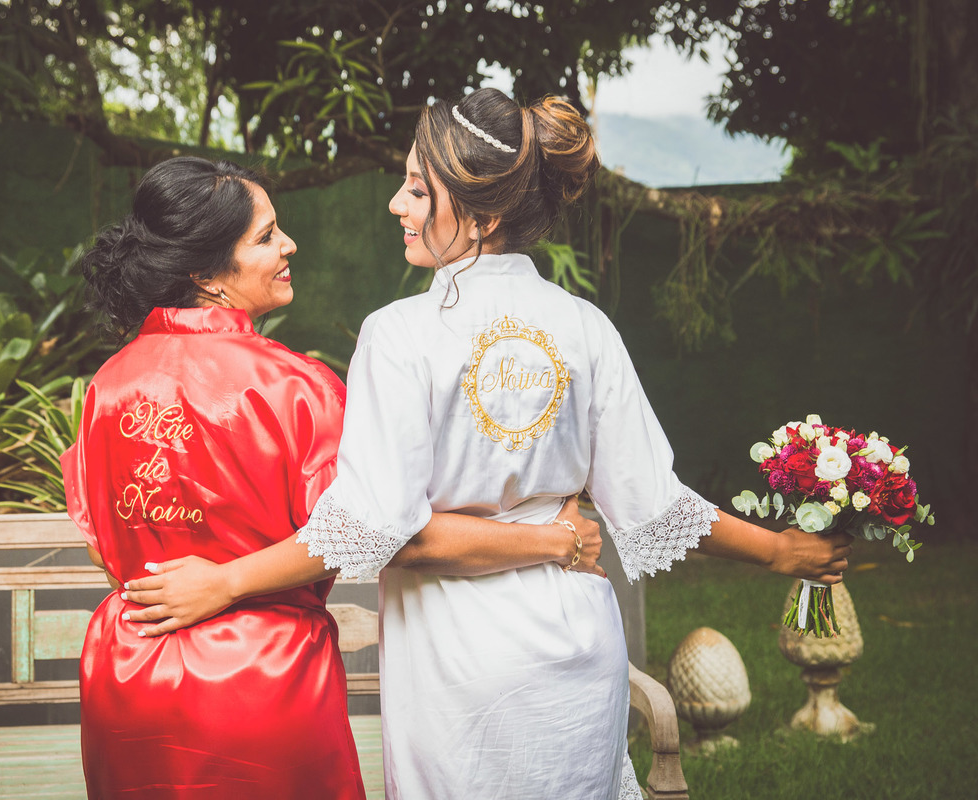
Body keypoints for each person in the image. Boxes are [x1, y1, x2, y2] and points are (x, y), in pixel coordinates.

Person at [121, 93, 851, 799]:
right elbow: (657, 507)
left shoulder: (397, 334)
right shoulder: (586, 327)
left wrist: (225, 582)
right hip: (577, 651)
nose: (396, 204)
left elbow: (382, 527)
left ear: (483, 217)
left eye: (417, 190)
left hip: (456, 667)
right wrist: (781, 552)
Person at [61, 155, 601, 799]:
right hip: (260, 679)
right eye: (266, 236)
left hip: (127, 675)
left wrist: (175, 579)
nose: (289, 245)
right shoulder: (297, 387)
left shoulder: (108, 385)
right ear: (205, 273)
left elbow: (101, 543)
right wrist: (227, 583)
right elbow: (362, 531)